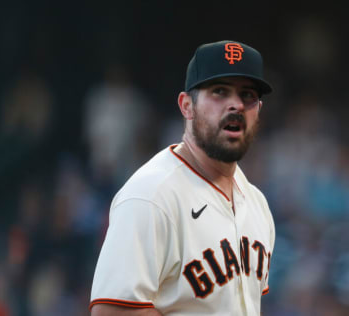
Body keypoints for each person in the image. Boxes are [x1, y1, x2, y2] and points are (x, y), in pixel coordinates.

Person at [90, 40, 276, 316]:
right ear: (187, 106)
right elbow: (112, 312)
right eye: (220, 92)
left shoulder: (257, 204)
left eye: (247, 95)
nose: (235, 104)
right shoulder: (151, 196)